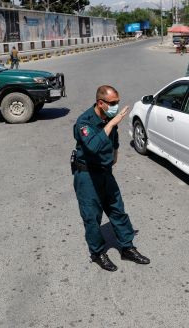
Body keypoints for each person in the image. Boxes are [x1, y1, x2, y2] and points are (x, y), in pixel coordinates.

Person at [72, 85, 150, 272]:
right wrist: (112, 123)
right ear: (101, 103)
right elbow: (93, 146)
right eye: (113, 103)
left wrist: (114, 155)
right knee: (92, 218)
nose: (116, 106)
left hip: (105, 173)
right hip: (87, 175)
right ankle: (98, 253)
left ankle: (127, 247)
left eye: (117, 102)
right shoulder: (85, 122)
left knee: (117, 210)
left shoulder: (109, 118)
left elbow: (113, 141)